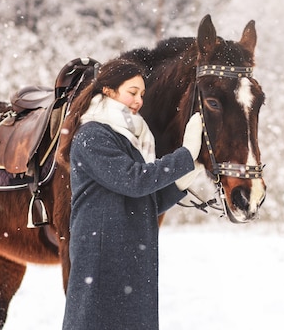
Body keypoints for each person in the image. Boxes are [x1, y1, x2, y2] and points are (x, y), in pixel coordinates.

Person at [60, 58, 205, 330]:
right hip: (102, 255)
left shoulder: (132, 138)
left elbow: (147, 199)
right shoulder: (93, 134)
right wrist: (184, 155)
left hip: (132, 254)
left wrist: (181, 182)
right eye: (132, 92)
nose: (139, 101)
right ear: (108, 91)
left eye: (142, 94)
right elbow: (133, 180)